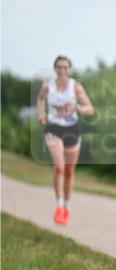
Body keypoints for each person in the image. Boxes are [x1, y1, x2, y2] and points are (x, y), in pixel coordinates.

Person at [36, 55, 94, 225]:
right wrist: (41, 113)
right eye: (59, 67)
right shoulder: (47, 86)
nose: (62, 70)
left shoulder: (76, 88)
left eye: (65, 67)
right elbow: (40, 99)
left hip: (72, 129)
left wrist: (77, 107)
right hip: (54, 128)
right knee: (60, 167)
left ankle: (67, 208)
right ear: (54, 69)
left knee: (69, 171)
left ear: (69, 69)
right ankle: (59, 206)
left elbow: (90, 109)